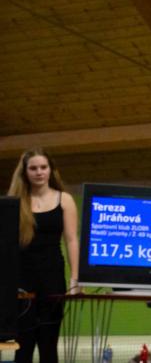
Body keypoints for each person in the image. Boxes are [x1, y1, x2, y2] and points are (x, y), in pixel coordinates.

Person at [9, 148, 79, 363]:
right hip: (22, 282)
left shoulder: (65, 200)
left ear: (51, 170)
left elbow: (71, 240)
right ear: (25, 172)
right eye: (33, 168)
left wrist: (75, 278)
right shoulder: (14, 202)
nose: (39, 172)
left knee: (49, 345)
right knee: (23, 346)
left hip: (52, 279)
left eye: (43, 167)